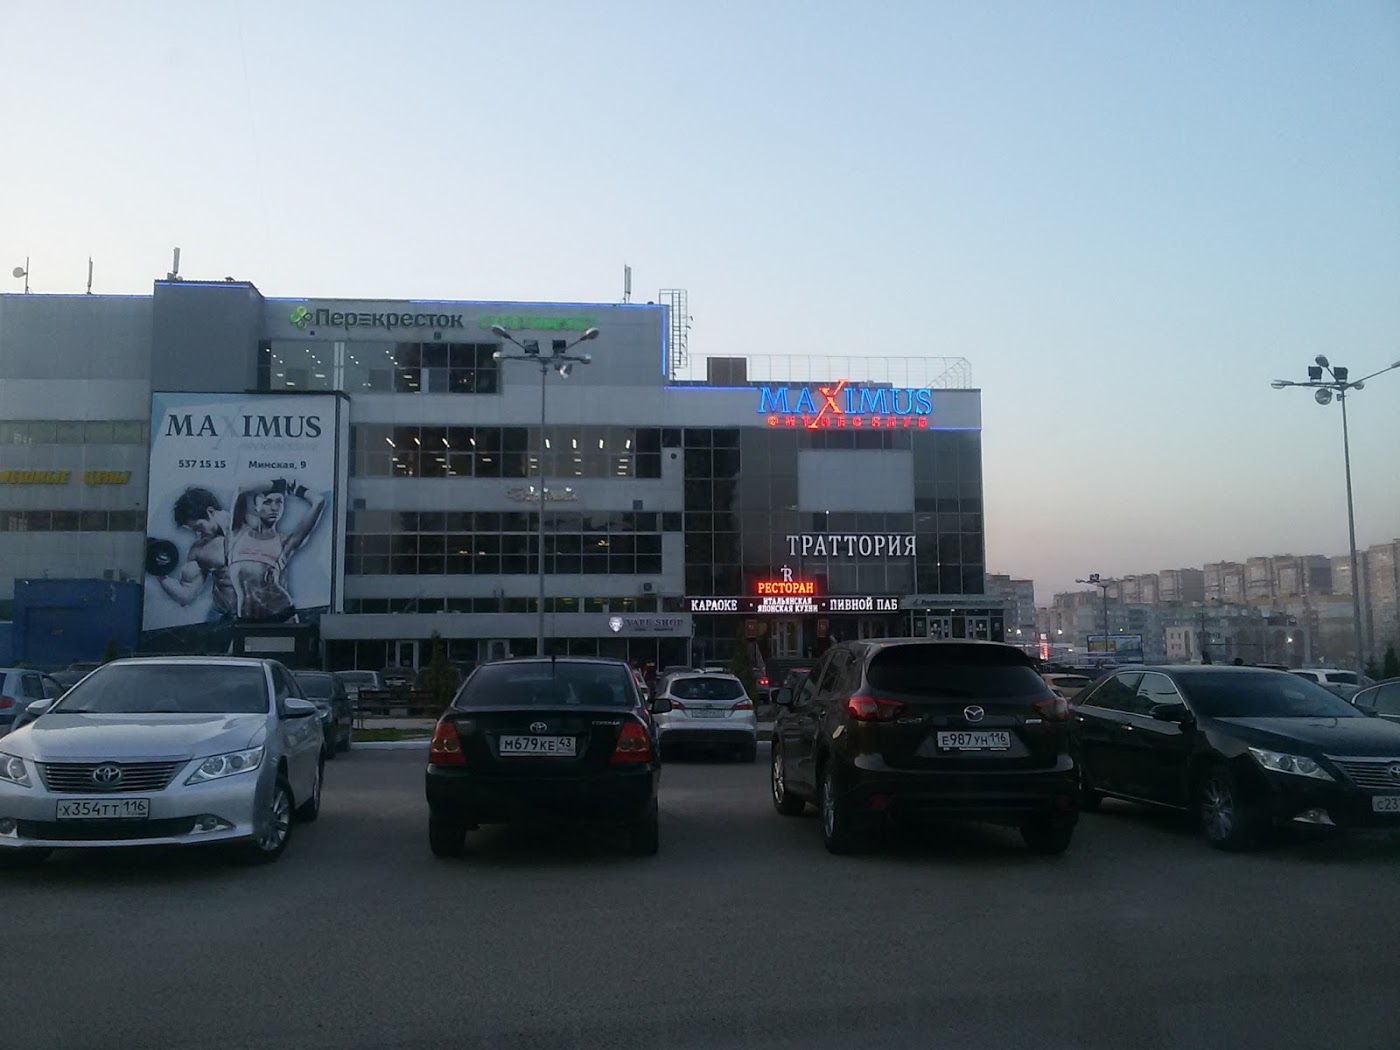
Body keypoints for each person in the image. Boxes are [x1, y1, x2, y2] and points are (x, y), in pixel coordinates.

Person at [227, 477, 327, 622]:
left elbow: (319, 501)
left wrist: (297, 489)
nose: (274, 508)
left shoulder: (286, 542)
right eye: (267, 502)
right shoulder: (238, 532)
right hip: (246, 619)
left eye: (279, 502)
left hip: (280, 615)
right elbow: (241, 489)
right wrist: (280, 484)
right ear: (255, 506)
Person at [155, 487, 236, 621]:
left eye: (199, 527)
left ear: (210, 512)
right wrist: (158, 571)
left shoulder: (249, 527)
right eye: (193, 530)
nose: (198, 534)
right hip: (225, 614)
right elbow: (186, 595)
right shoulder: (199, 549)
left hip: (261, 615)